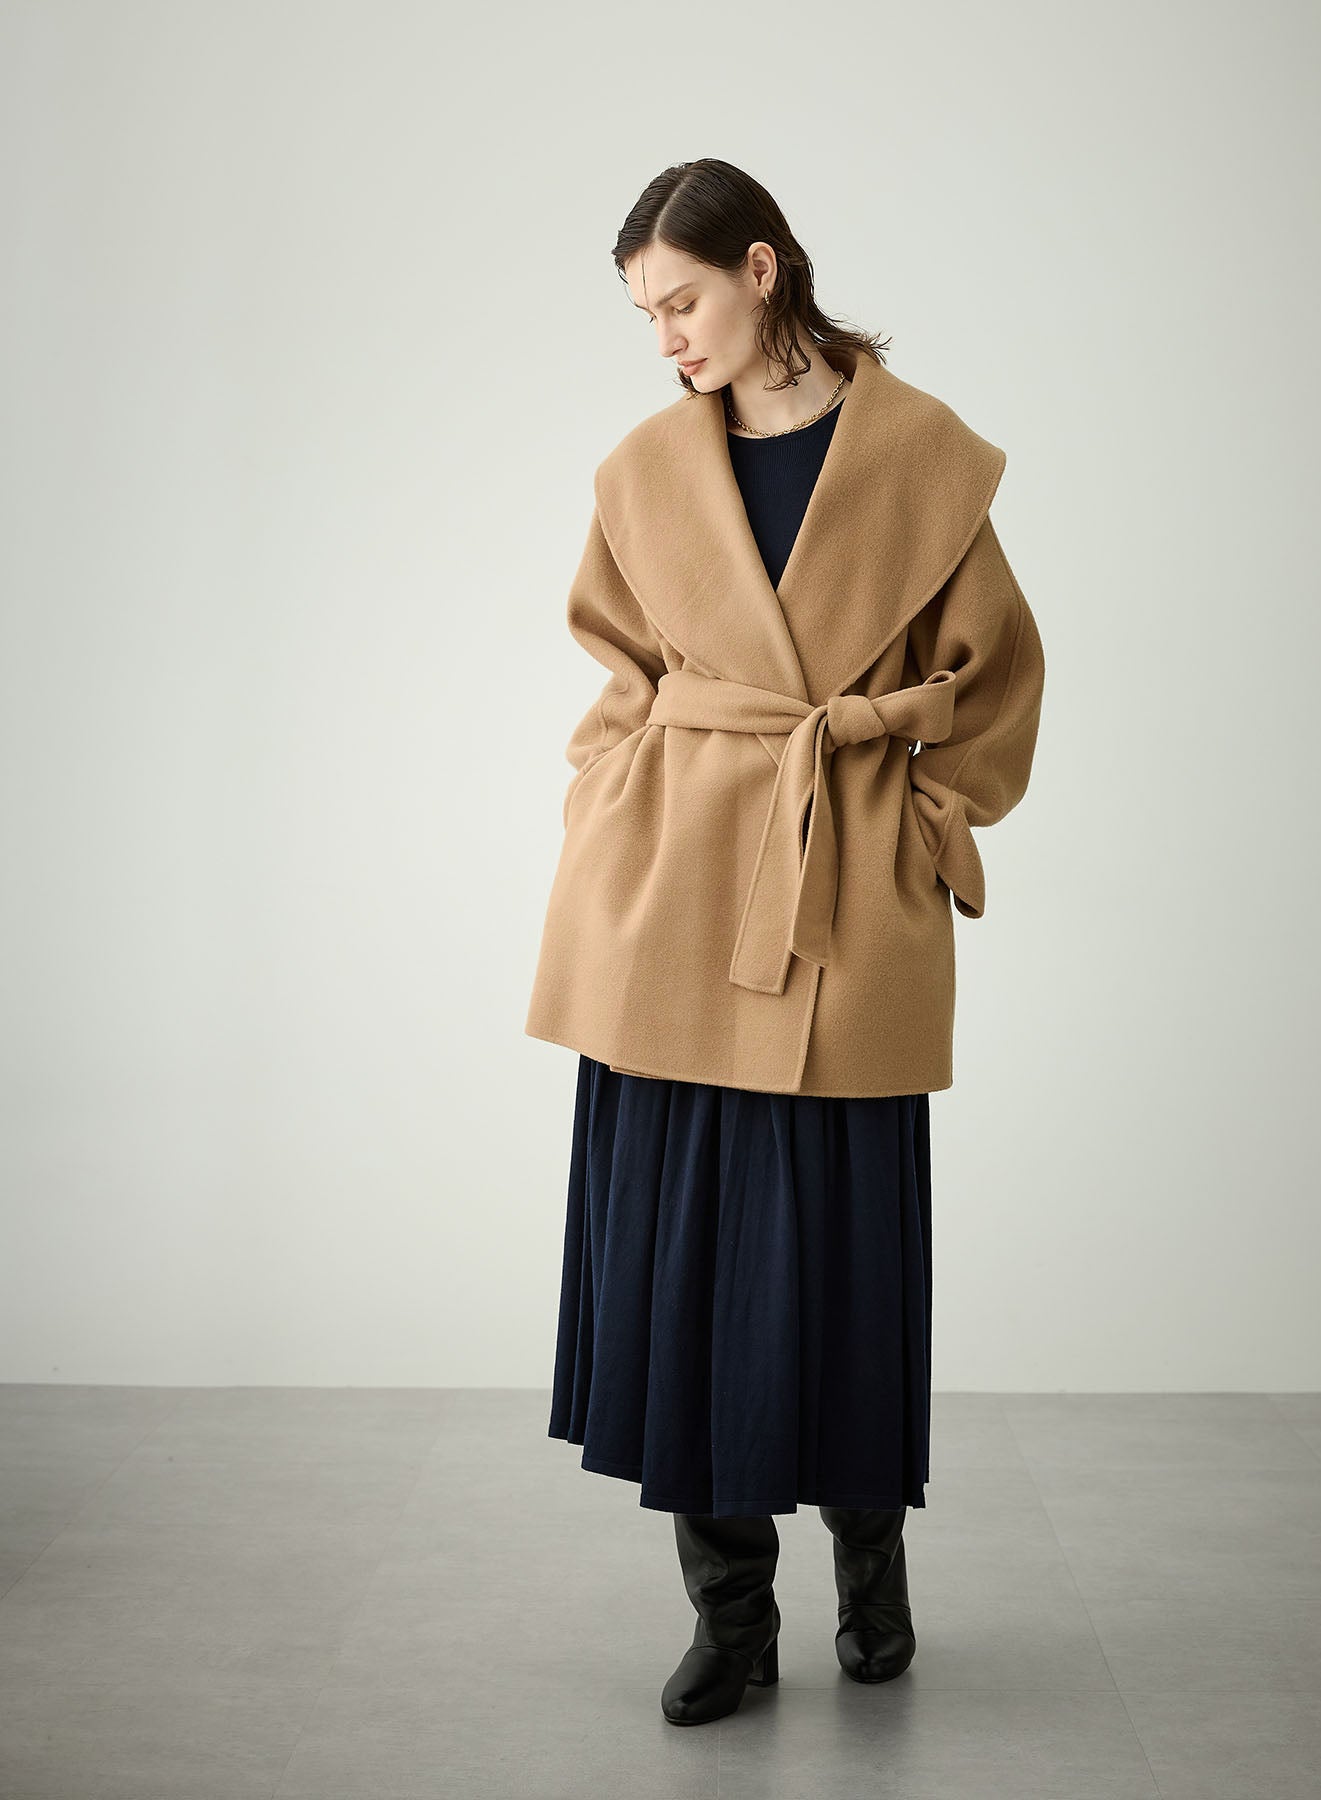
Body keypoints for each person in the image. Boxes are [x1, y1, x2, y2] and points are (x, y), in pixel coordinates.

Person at [525, 159, 1046, 1726]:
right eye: (645, 315)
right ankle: (732, 1617)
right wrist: (616, 806)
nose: (667, 339)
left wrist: (917, 828)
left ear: (763, 269)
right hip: (673, 907)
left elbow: (996, 680)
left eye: (681, 301)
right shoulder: (643, 473)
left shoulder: (923, 458)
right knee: (685, 1267)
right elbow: (617, 678)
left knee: (846, 1261)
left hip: (842, 901)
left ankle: (872, 1584)